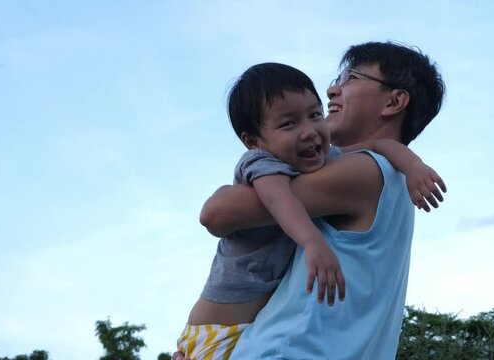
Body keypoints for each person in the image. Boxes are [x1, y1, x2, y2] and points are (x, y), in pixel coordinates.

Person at [175, 60, 445, 360]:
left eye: (351, 78)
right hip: (223, 331)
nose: (333, 90)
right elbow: (224, 209)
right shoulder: (266, 163)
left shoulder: (360, 171)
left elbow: (218, 211)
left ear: (395, 100)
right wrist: (412, 166)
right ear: (253, 141)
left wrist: (416, 167)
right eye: (289, 123)